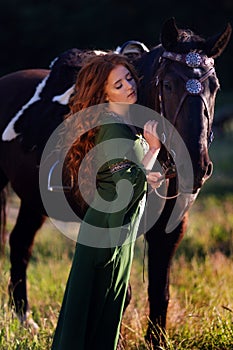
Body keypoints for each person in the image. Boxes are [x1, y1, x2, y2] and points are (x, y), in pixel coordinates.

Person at [51, 53, 161, 350]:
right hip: (107, 238)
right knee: (96, 314)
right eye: (118, 84)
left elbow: (128, 176)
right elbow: (129, 183)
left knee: (95, 313)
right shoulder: (112, 127)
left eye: (128, 78)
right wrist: (151, 154)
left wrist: (147, 161)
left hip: (113, 233)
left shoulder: (119, 124)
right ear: (104, 93)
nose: (128, 86)